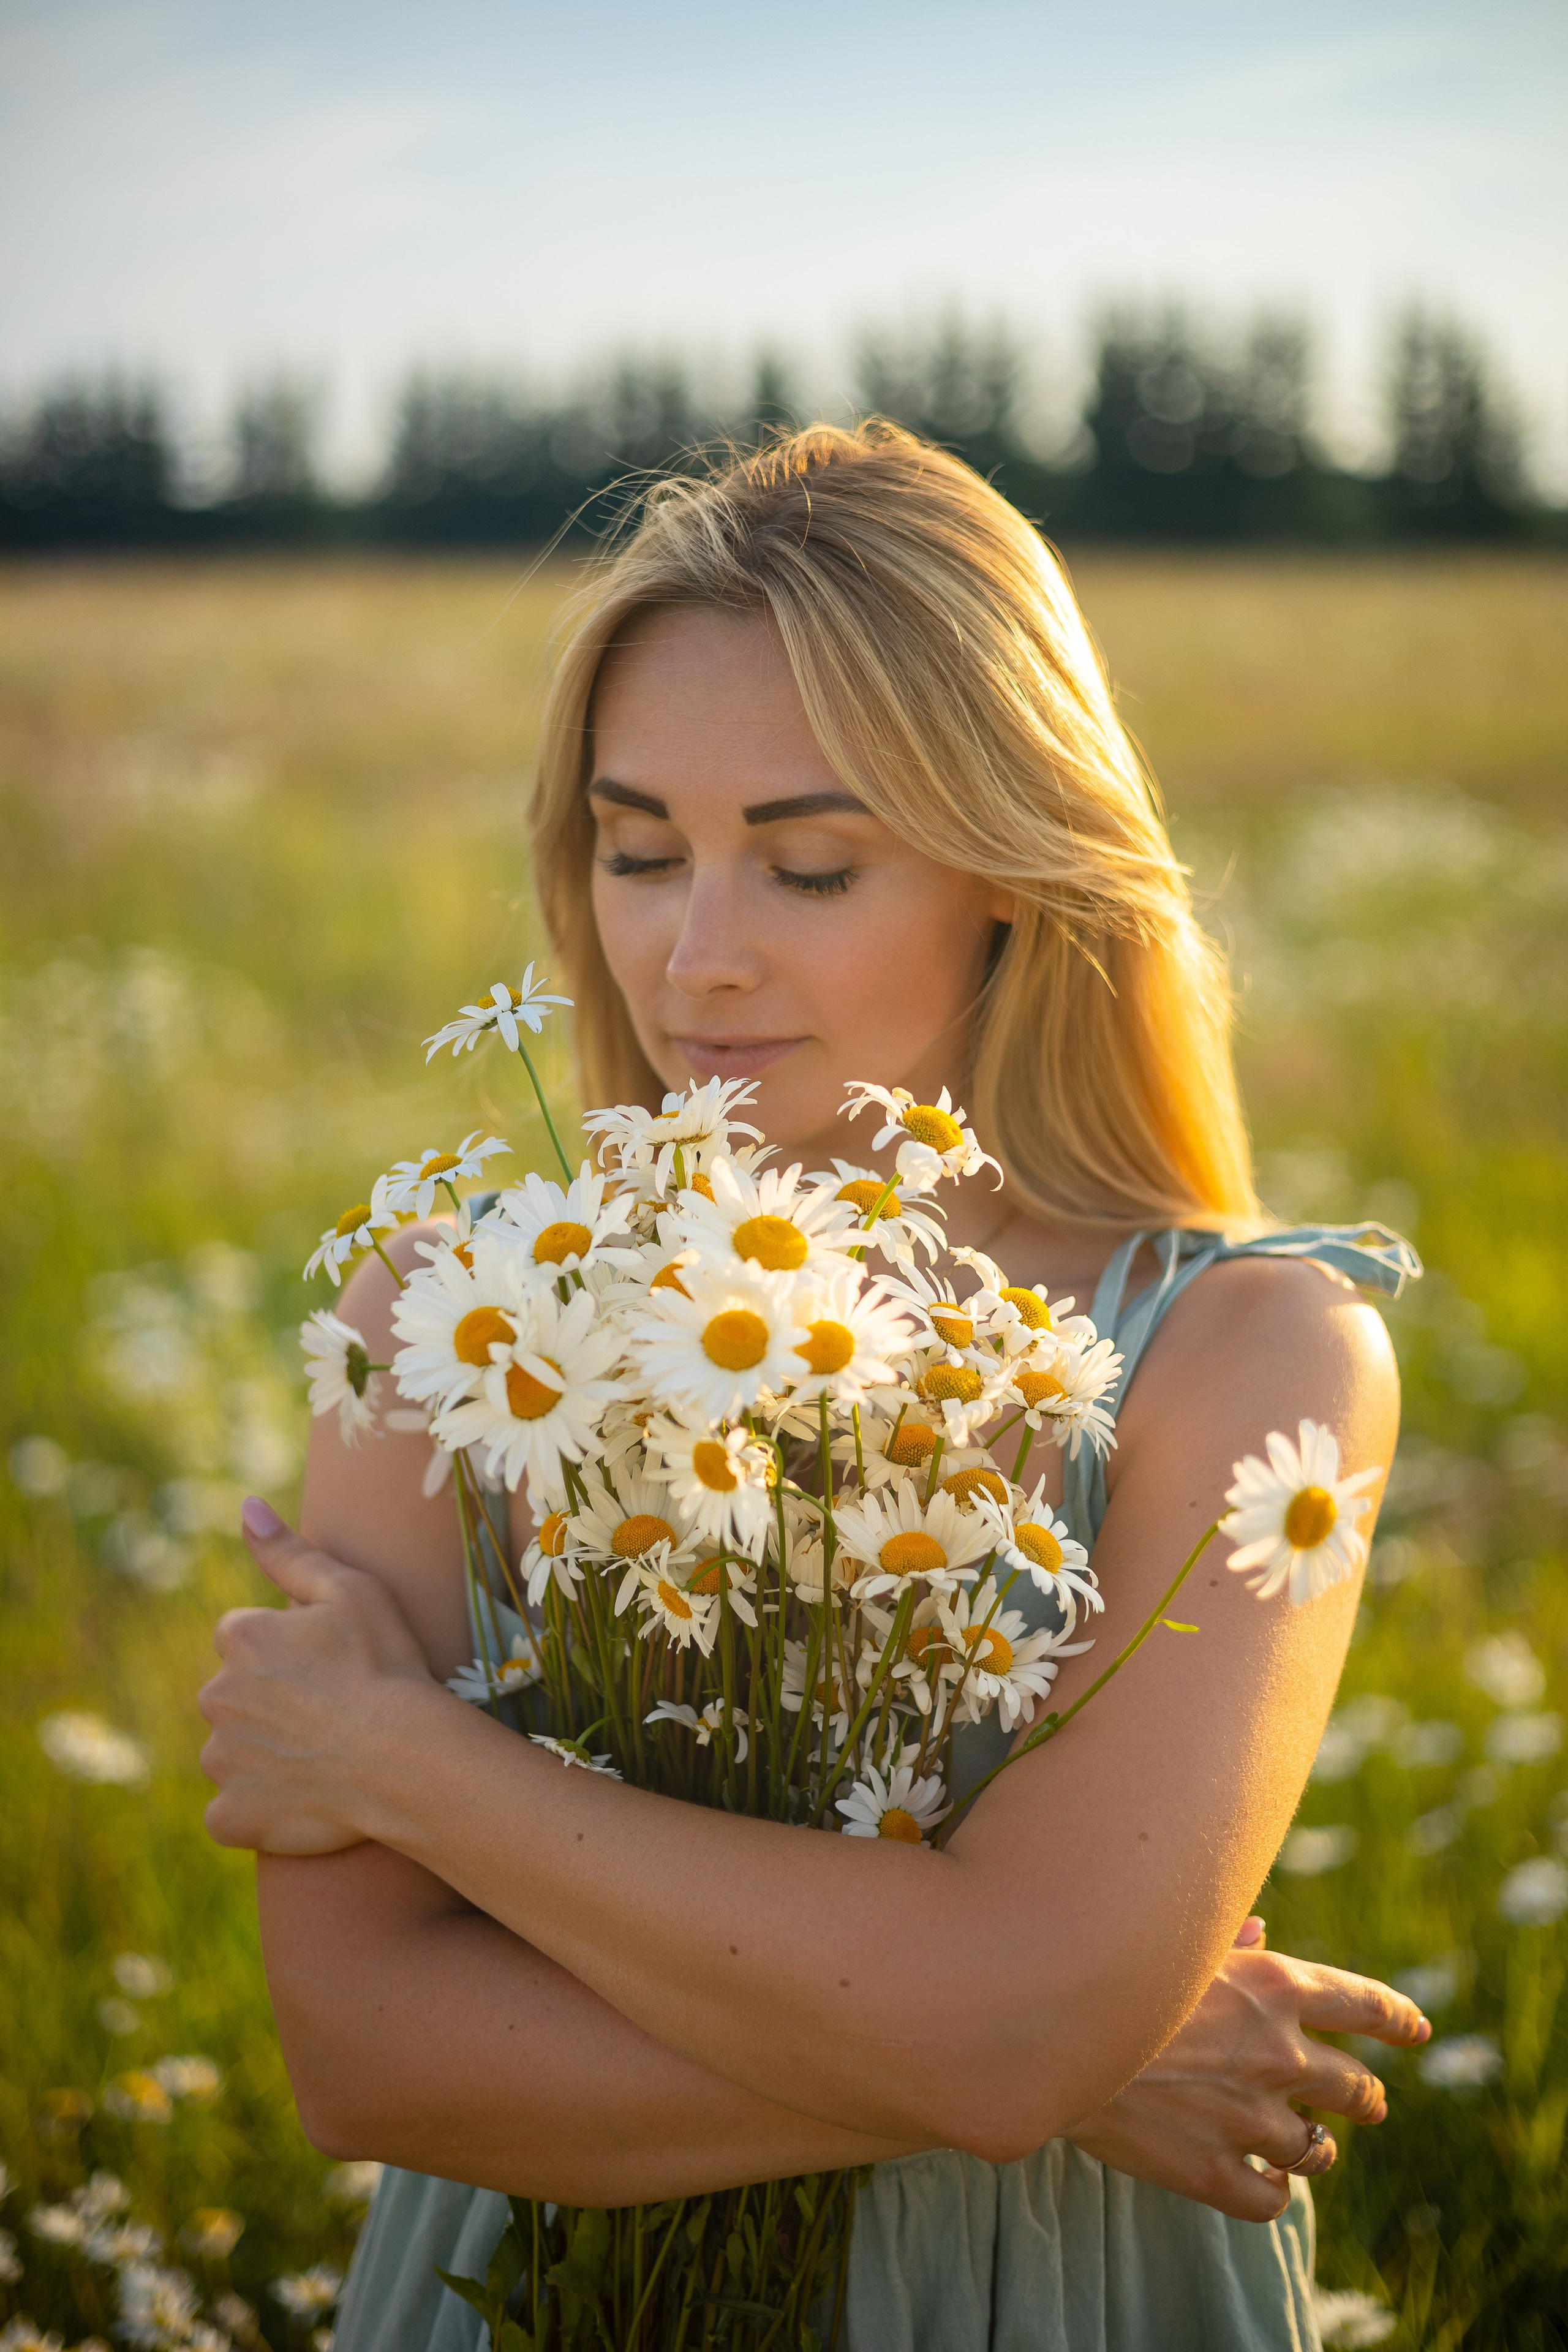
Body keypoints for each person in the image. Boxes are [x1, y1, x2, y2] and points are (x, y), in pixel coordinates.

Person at [199, 423, 1429, 2352]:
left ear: (1013, 869)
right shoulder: (458, 1319)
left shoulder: (1248, 1355)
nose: (693, 959)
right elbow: (366, 2062)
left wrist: (402, 1766)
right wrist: (1059, 2067)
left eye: (811, 863)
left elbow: (1013, 2025)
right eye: (634, 851)